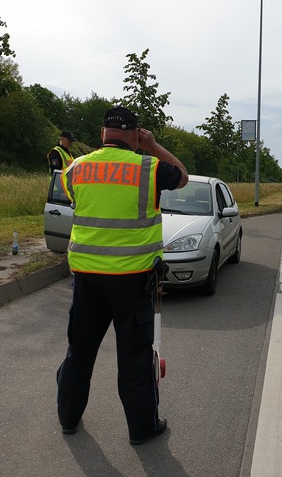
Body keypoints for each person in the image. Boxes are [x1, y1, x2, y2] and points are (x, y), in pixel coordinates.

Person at [56, 106, 188, 445]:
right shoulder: (149, 167)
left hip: (87, 280)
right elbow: (182, 175)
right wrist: (152, 146)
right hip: (132, 281)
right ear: (134, 134)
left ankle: (68, 419)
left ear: (102, 134)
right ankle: (142, 429)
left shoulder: (75, 168)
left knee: (79, 352)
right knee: (133, 358)